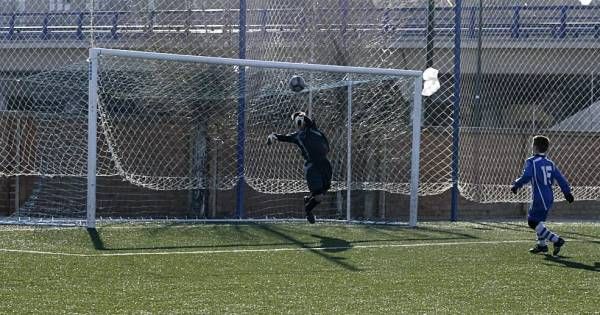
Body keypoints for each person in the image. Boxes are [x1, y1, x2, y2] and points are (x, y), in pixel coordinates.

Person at [511, 135, 574, 256]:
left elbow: (527, 176)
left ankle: (557, 240)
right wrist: (567, 193)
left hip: (539, 197)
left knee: (532, 222)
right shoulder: (550, 163)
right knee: (538, 220)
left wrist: (516, 185)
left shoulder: (532, 161)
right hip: (549, 196)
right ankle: (542, 245)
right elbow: (560, 178)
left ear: (534, 147)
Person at [267, 111, 332, 224]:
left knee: (324, 190)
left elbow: (307, 120)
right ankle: (308, 209)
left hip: (325, 164)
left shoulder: (313, 128)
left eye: (302, 119)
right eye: (298, 121)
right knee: (319, 196)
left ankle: (308, 200)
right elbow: (284, 137)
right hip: (312, 167)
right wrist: (273, 136)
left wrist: (301, 115)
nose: (300, 122)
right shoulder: (298, 136)